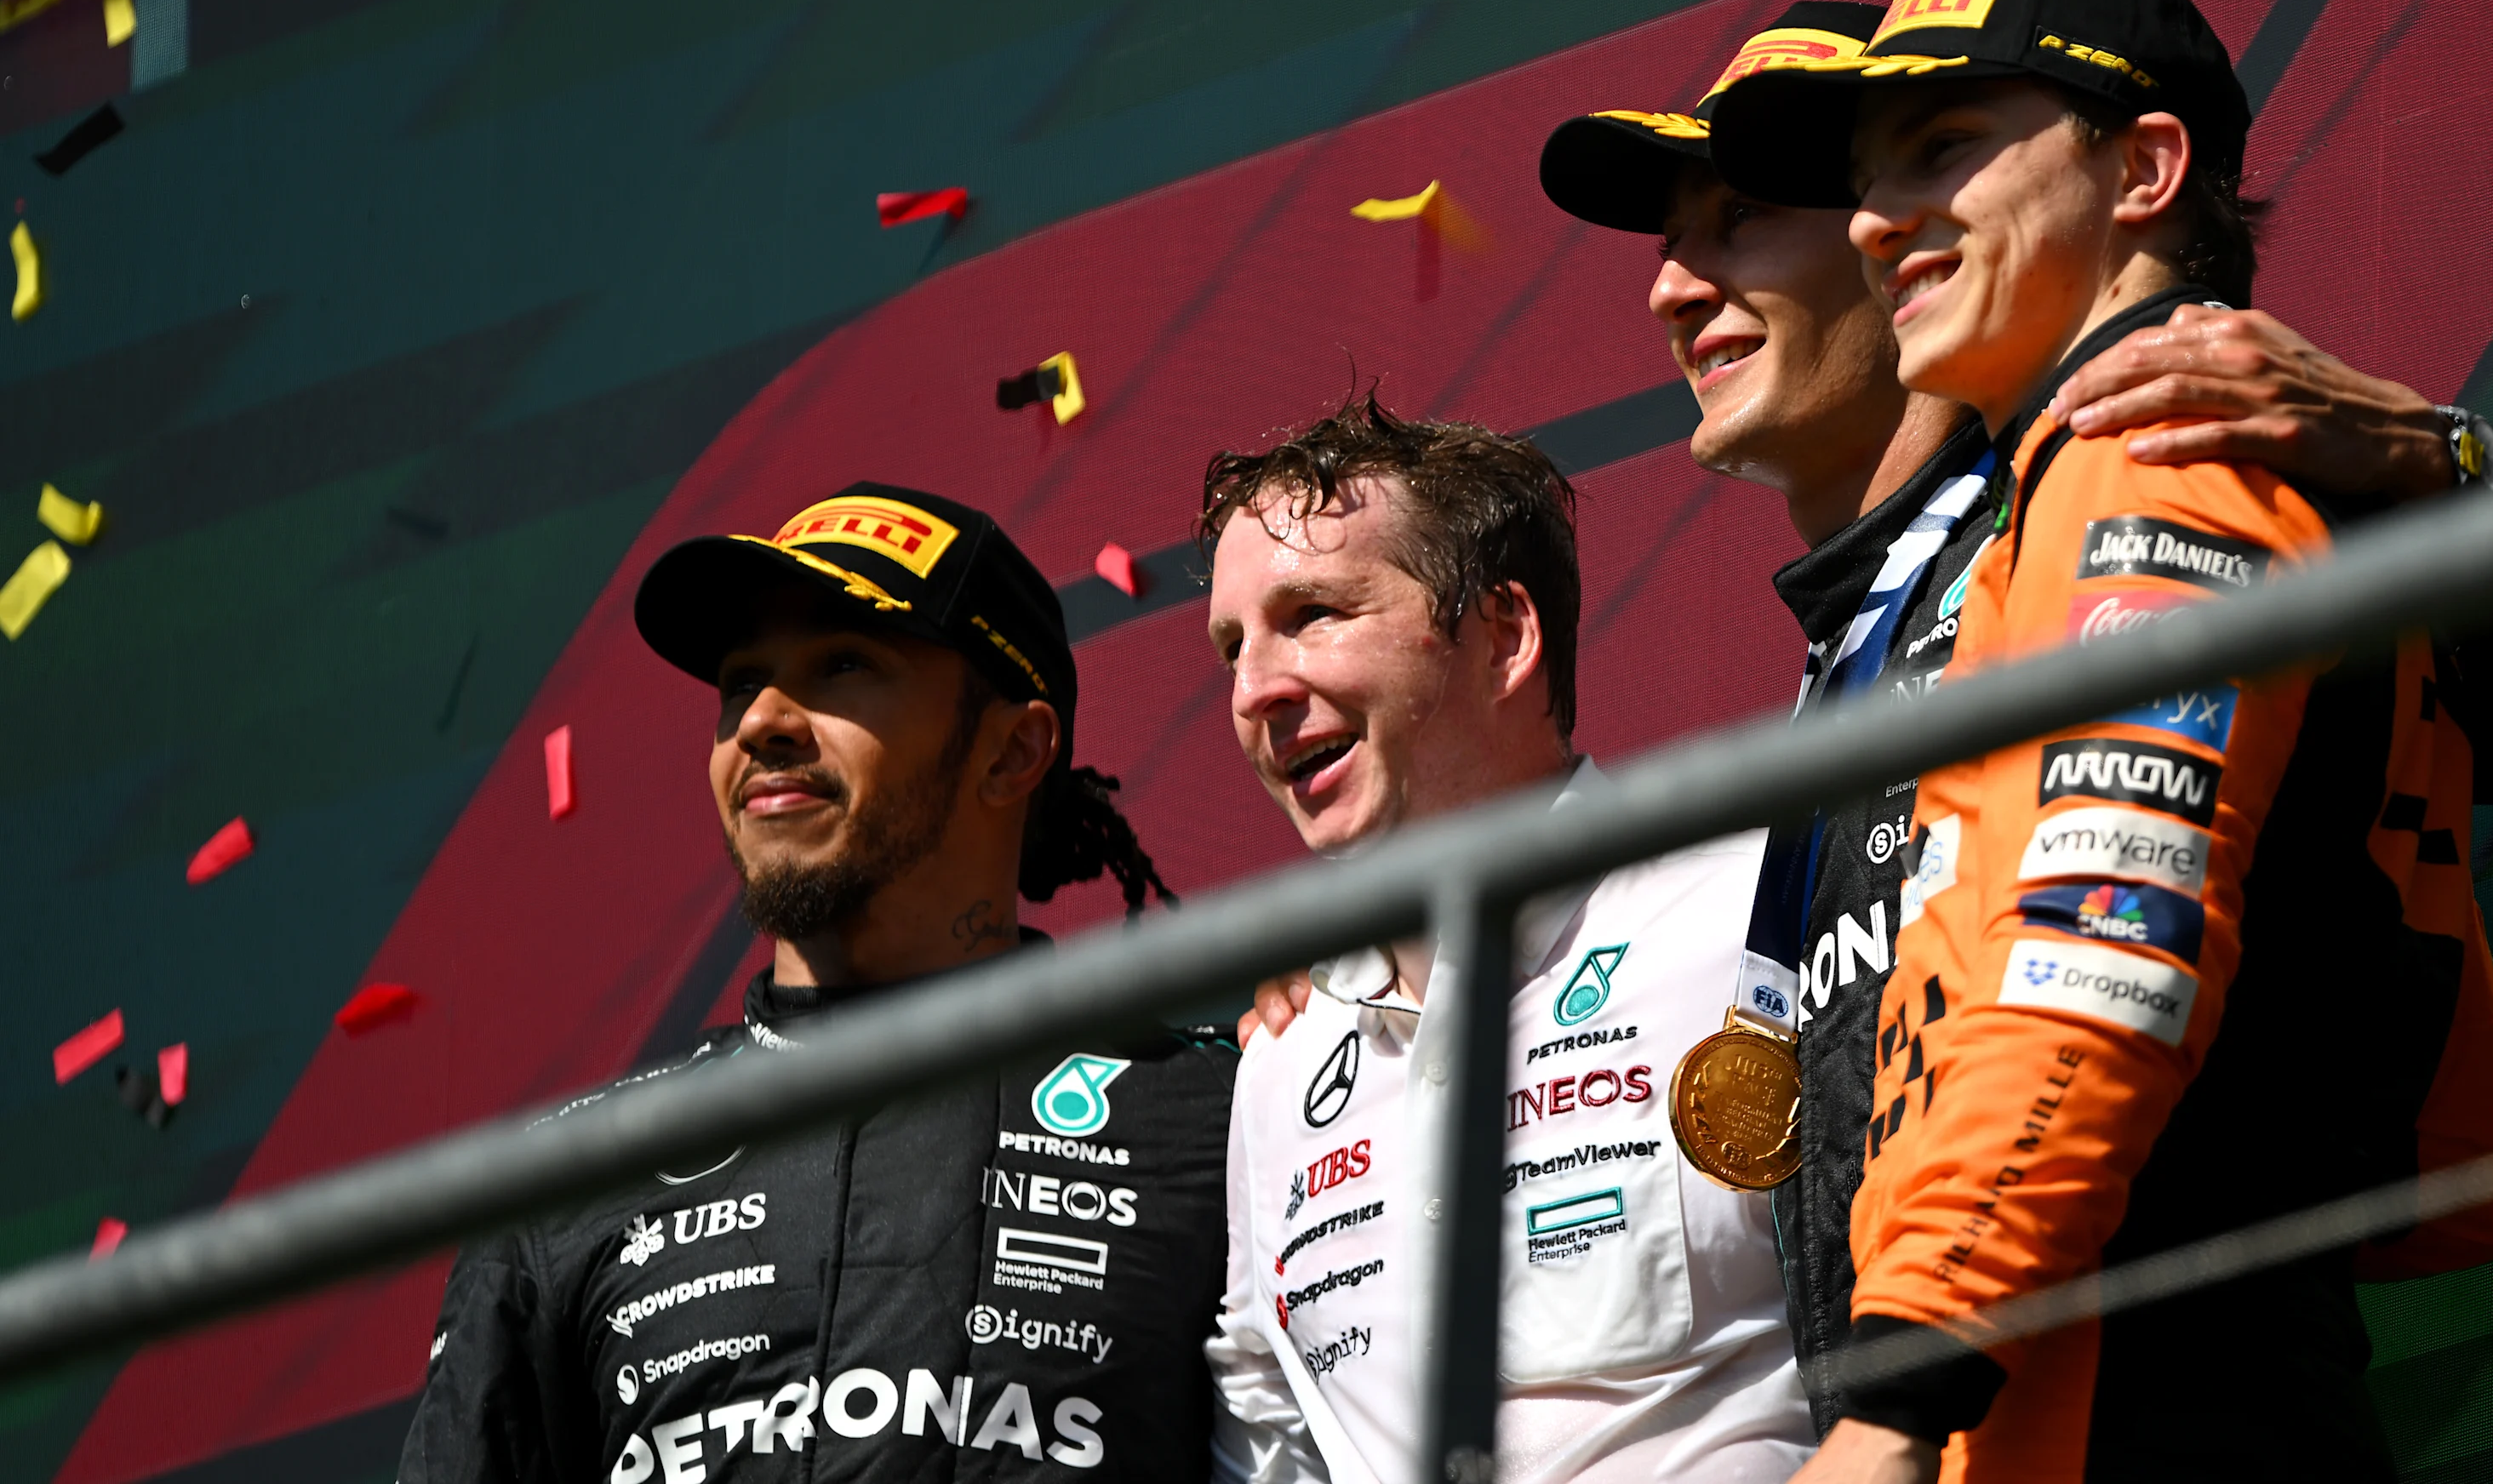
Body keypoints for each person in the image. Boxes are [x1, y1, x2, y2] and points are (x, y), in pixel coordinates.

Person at [1535, 0, 2493, 1438]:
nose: (1670, 285)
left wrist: (2438, 456)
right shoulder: (1861, 651)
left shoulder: (2156, 450)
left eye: (1740, 216)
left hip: (2141, 1405)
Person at [400, 484, 1235, 1482]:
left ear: (1013, 749)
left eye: (843, 666)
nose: (760, 722)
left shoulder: (1221, 1119)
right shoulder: (561, 1186)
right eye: (739, 683)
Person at [1198, 402, 1813, 1482]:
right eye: (1231, 647)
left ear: (1503, 635)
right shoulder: (1280, 1063)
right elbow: (1266, 1435)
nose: (1254, 692)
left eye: (1313, 614)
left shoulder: (1755, 910)